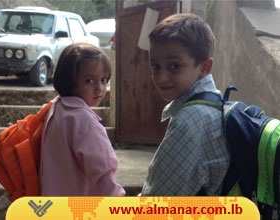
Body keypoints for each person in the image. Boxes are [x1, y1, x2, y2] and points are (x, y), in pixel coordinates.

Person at [141, 13, 230, 196]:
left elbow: (158, 203)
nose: (161, 77)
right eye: (155, 66)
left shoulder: (190, 120)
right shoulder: (215, 103)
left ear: (204, 67)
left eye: (174, 66)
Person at [39, 42, 125, 196]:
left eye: (104, 79)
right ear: (69, 81)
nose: (100, 88)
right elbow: (103, 172)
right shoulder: (86, 122)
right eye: (89, 81)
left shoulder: (53, 108)